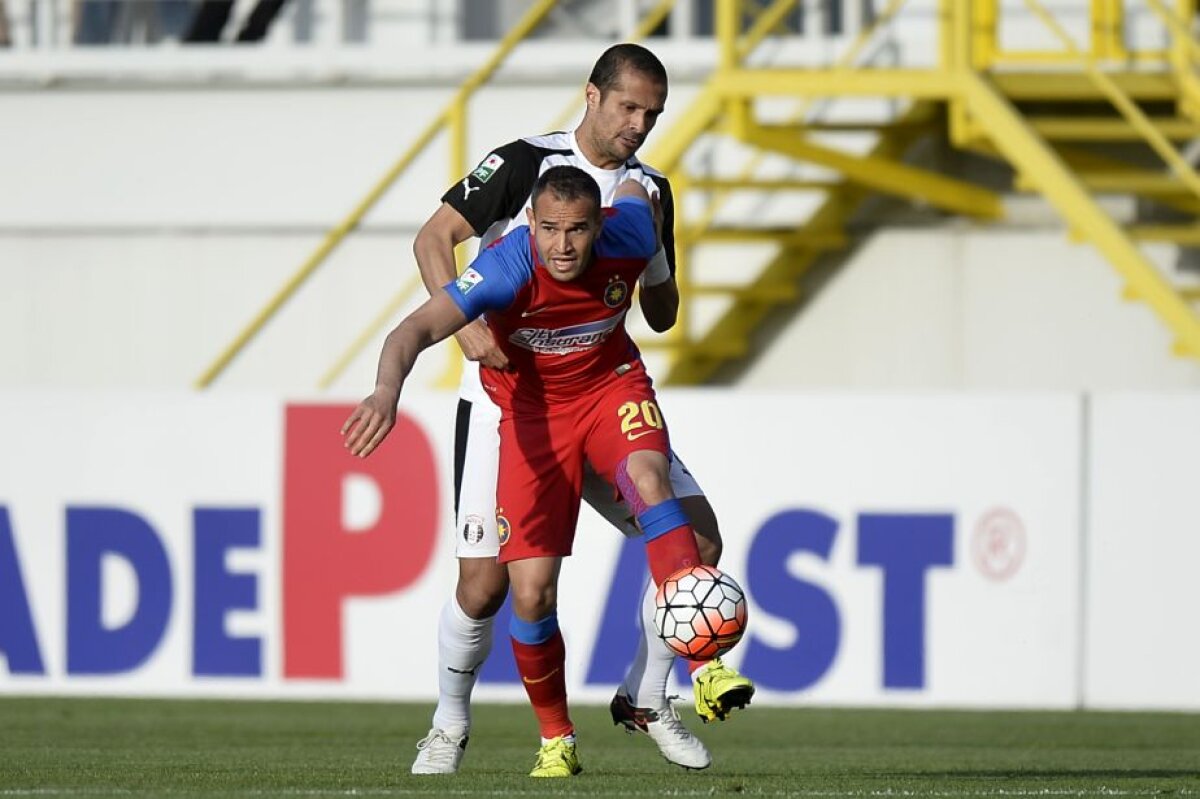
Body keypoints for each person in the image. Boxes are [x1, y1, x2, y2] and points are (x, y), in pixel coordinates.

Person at [406, 43, 754, 775]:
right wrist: (467, 327)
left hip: (594, 390)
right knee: (487, 585)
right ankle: (448, 720)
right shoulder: (524, 163)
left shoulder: (648, 190)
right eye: (628, 107)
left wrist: (656, 262)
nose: (639, 125)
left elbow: (659, 311)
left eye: (652, 114)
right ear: (591, 96)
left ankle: (647, 693)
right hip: (509, 402)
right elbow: (434, 237)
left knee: (700, 540)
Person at [343, 167, 731, 777]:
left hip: (610, 393)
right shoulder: (506, 266)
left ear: (599, 224)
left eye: (578, 230)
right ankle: (555, 737)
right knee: (526, 592)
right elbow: (410, 330)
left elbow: (639, 191)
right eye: (550, 229)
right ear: (532, 223)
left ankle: (690, 676)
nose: (564, 245)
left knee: (668, 500)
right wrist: (385, 392)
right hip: (529, 418)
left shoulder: (627, 230)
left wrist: (649, 229)